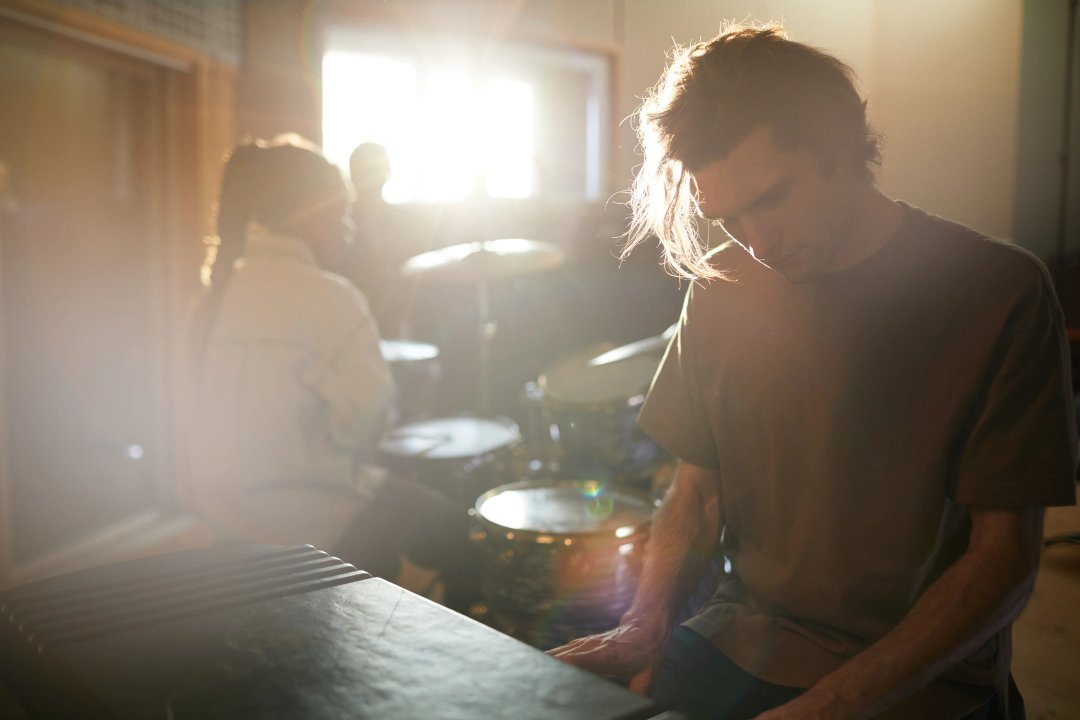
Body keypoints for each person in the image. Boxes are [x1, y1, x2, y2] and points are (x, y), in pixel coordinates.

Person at [549, 24, 1077, 720]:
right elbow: (698, 494)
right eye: (728, 218)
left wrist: (835, 703)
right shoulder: (720, 284)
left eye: (771, 198)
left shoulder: (999, 290)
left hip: (922, 677)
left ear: (841, 147)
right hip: (743, 640)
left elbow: (1003, 559)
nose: (758, 243)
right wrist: (645, 625)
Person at [187, 134, 462, 589]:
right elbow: (367, 425)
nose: (350, 229)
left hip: (227, 517)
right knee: (455, 525)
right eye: (343, 214)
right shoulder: (331, 298)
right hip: (314, 522)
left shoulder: (212, 297)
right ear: (312, 216)